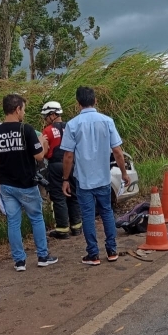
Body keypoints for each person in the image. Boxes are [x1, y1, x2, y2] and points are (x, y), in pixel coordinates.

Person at [60, 86, 131, 266]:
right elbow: (117, 151)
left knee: (88, 216)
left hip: (83, 180)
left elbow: (68, 156)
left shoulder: (72, 124)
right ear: (95, 100)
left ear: (78, 104)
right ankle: (112, 250)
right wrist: (123, 173)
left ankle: (93, 254)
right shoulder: (107, 121)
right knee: (107, 212)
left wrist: (65, 179)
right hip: (103, 178)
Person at [0, 94, 58, 272]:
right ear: (17, 109)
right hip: (27, 184)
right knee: (36, 218)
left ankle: (19, 261)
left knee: (13, 222)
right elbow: (39, 156)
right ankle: (42, 256)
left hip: (7, 186)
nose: (24, 113)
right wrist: (41, 142)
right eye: (23, 109)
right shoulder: (26, 130)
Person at [40, 101, 83, 239]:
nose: (45, 120)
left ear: (52, 115)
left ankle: (62, 229)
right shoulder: (71, 127)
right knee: (73, 195)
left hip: (56, 166)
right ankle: (77, 227)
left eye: (46, 116)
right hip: (72, 164)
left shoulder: (47, 131)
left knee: (58, 197)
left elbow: (45, 152)